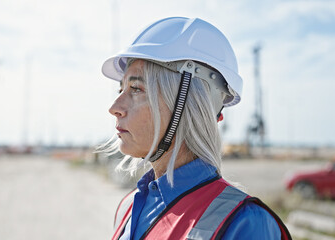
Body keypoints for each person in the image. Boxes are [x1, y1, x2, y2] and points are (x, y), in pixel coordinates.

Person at [101, 17, 291, 240]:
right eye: (120, 90)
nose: (114, 108)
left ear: (188, 103)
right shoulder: (129, 207)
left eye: (136, 88)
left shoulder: (245, 225)